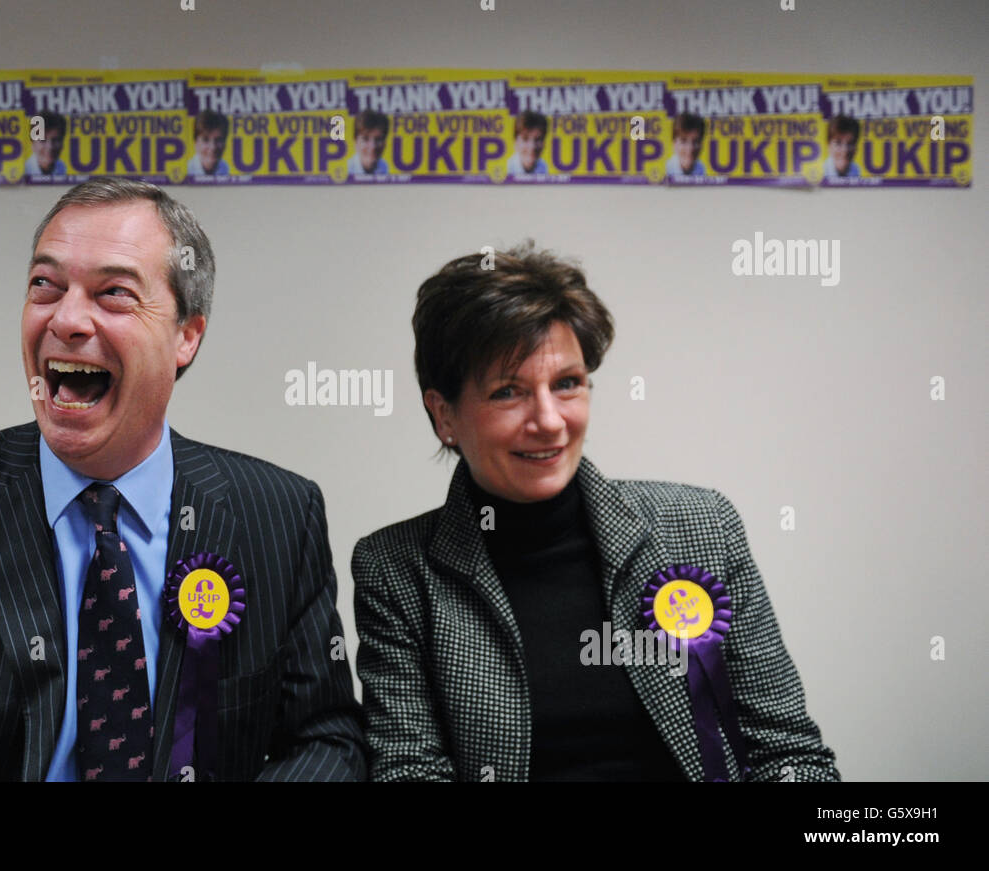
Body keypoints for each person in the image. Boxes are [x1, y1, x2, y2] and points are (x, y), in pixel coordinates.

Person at [0, 178, 364, 782]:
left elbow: (326, 743)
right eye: (45, 285)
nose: (66, 319)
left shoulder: (278, 514)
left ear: (186, 336)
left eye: (113, 293)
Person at [353, 241, 839, 782]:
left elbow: (789, 755)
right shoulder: (394, 569)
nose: (550, 421)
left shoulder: (701, 525)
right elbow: (410, 771)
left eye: (567, 384)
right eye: (508, 392)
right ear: (444, 413)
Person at [186, 110, 230, 176]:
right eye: (205, 140)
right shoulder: (186, 170)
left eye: (218, 140)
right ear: (196, 143)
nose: (213, 147)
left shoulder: (225, 168)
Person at [347, 110, 389, 177]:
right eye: (365, 139)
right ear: (355, 141)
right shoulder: (346, 170)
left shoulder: (384, 167)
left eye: (378, 139)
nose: (373, 146)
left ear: (385, 143)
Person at [507, 111, 550, 177]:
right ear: (515, 142)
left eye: (538, 139)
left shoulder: (543, 167)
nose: (532, 147)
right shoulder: (507, 169)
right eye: (525, 139)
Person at [25, 110, 68, 176]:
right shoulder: (24, 171)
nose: (50, 147)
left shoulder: (62, 168)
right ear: (32, 143)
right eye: (43, 140)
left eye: (55, 140)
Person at [665, 112, 707, 178]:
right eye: (683, 141)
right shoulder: (665, 170)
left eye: (696, 142)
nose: (690, 148)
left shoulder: (701, 169)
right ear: (674, 143)